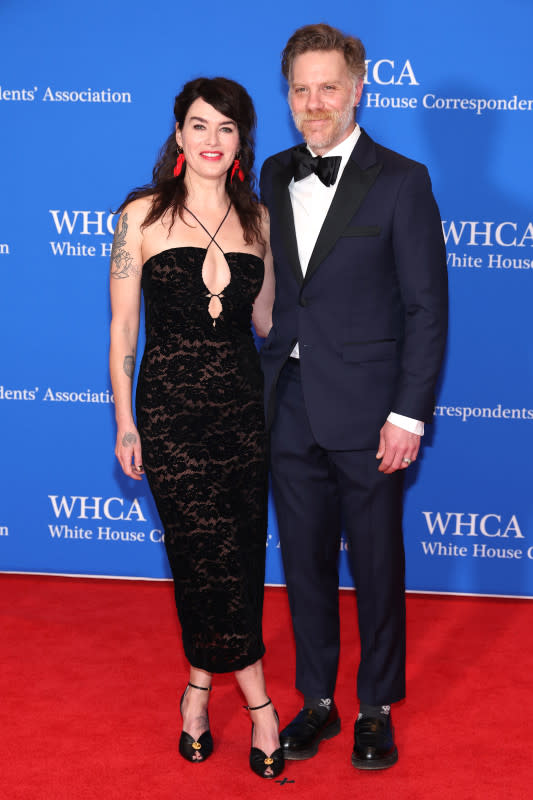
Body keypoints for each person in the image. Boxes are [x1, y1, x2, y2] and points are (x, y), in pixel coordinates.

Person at [260, 24, 448, 770]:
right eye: (300, 89)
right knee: (303, 563)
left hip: (371, 408)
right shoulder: (272, 173)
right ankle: (317, 701)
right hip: (289, 399)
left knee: (374, 561)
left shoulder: (402, 179)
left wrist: (407, 413)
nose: (313, 102)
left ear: (358, 87)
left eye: (327, 86)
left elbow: (424, 309)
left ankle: (374, 706)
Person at [109, 77, 283, 779]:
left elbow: (267, 322)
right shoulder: (142, 215)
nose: (212, 141)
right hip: (170, 417)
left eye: (227, 129)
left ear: (241, 143)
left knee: (235, 557)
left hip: (244, 414)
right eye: (200, 126)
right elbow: (123, 327)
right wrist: (125, 422)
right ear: (178, 134)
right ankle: (262, 707)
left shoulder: (260, 221)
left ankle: (197, 690)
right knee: (203, 553)